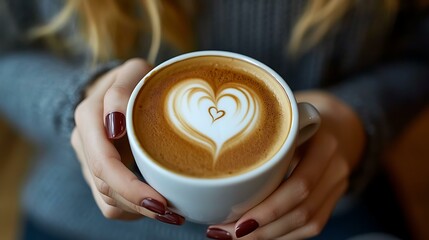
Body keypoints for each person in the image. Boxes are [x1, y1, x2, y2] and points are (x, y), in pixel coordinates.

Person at [1, 0, 428, 239]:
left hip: (316, 202)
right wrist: (80, 100)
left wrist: (352, 117)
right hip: (81, 210)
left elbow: (419, 54)